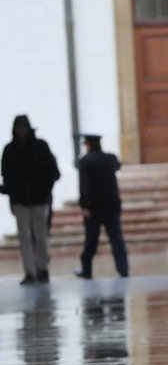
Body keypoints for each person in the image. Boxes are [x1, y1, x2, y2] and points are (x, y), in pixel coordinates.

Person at [0, 114, 60, 285]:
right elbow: (7, 175)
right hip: (21, 200)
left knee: (40, 236)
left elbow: (51, 171)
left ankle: (42, 268)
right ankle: (30, 271)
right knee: (25, 237)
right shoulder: (10, 150)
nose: (21, 131)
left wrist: (45, 190)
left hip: (39, 199)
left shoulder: (40, 146)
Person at [74, 133, 129, 279]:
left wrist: (84, 205)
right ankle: (123, 268)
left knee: (91, 239)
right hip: (112, 203)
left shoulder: (85, 161)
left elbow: (84, 185)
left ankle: (87, 269)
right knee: (116, 237)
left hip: (94, 206)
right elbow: (117, 166)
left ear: (88, 145)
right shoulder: (111, 158)